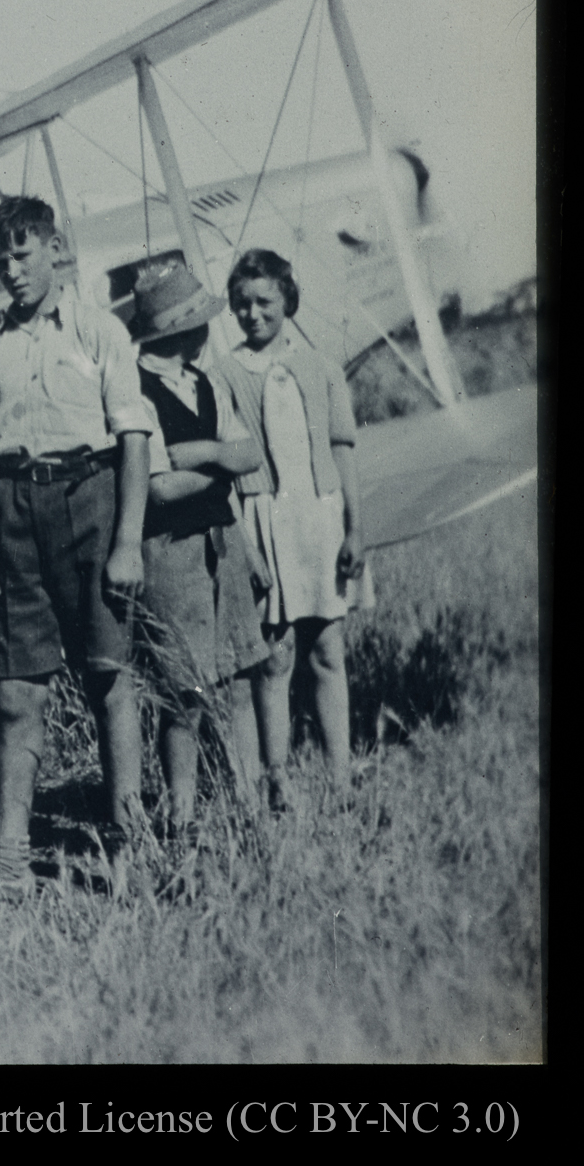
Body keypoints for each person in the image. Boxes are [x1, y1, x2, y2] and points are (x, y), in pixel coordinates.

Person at [0, 196, 153, 891]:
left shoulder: (100, 331)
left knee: (108, 676)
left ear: (54, 247)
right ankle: (8, 859)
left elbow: (133, 438)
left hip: (89, 500)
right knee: (16, 693)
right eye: (0, 258)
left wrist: (127, 539)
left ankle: (130, 846)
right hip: (13, 513)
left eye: (23, 252)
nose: (12, 269)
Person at [211, 248, 372, 801]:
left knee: (328, 650)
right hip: (263, 525)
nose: (252, 314)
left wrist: (355, 528)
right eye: (241, 305)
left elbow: (342, 449)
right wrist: (245, 549)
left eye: (264, 302)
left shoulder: (321, 365)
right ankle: (277, 776)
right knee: (274, 657)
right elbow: (225, 475)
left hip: (320, 520)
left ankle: (341, 776)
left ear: (287, 299)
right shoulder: (225, 375)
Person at [123, 262, 270, 836]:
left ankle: (249, 801)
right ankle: (181, 815)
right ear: (172, 331)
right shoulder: (136, 393)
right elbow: (159, 487)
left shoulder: (205, 383)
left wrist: (201, 453)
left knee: (235, 678)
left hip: (222, 542)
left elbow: (249, 453)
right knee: (182, 692)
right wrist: (224, 464)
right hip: (170, 550)